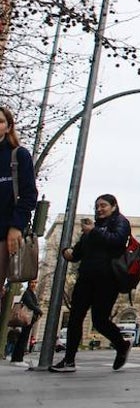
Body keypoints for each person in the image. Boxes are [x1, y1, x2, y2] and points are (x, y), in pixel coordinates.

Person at [49, 194, 133, 373]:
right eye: (97, 206)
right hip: (86, 278)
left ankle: (121, 345)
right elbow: (78, 253)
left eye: (103, 205)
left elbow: (117, 240)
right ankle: (69, 360)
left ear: (113, 206)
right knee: (75, 318)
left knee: (100, 320)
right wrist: (67, 252)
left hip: (108, 279)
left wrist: (93, 231)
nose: (100, 209)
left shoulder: (120, 222)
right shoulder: (93, 228)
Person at [0, 106, 37, 289]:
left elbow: (29, 195)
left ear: (8, 127)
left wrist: (16, 227)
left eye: (0, 121)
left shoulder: (18, 155)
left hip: (3, 234)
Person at [10, 278, 42, 364]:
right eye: (32, 282)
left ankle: (16, 358)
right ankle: (18, 359)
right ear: (28, 283)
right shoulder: (28, 293)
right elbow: (30, 304)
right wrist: (39, 311)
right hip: (26, 318)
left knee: (22, 338)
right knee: (23, 339)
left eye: (35, 282)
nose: (34, 284)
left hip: (29, 319)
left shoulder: (31, 293)